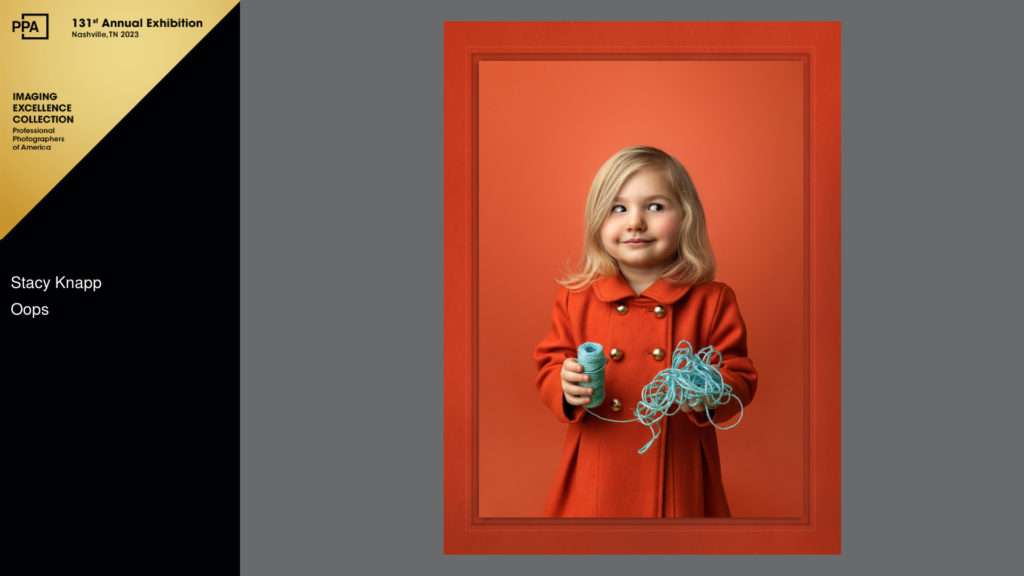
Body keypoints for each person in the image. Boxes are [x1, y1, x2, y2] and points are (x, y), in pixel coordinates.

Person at [533, 145, 758, 517]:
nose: (635, 222)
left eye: (655, 207)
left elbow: (741, 375)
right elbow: (548, 365)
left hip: (678, 477)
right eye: (618, 208)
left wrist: (712, 393)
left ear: (685, 218)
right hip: (596, 474)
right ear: (597, 222)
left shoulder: (711, 300)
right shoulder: (577, 298)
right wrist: (565, 384)